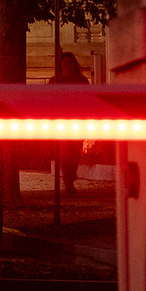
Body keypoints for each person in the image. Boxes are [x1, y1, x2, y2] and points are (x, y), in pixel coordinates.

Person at [51, 51, 89, 194]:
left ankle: (70, 177)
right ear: (60, 65)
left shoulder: (82, 80)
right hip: (62, 121)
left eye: (70, 62)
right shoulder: (55, 81)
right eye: (65, 62)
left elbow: (87, 100)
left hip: (78, 120)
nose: (68, 65)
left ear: (74, 64)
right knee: (65, 152)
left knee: (75, 152)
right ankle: (68, 180)